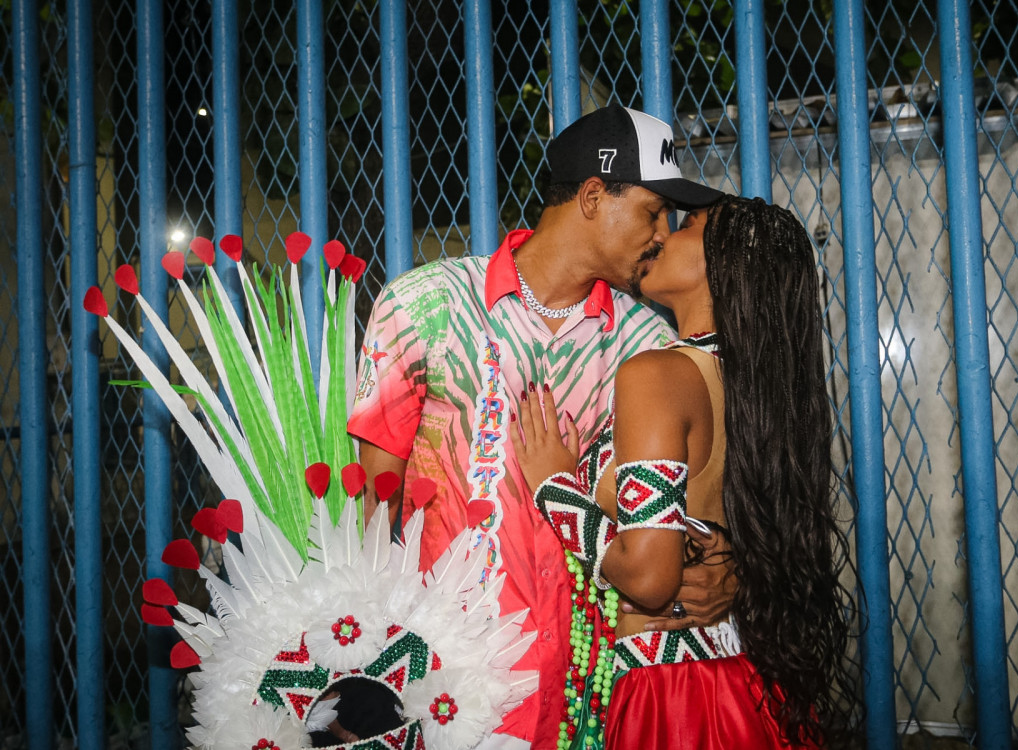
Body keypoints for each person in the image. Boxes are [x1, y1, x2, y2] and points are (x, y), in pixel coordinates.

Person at [347, 106, 735, 749]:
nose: (662, 234)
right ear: (592, 196)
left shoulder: (648, 344)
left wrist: (731, 567)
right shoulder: (424, 307)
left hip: (592, 695)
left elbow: (693, 504)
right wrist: (371, 663)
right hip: (446, 695)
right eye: (651, 210)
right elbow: (370, 508)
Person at [510, 196, 858, 748]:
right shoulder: (752, 389)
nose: (661, 235)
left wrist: (555, 486)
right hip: (747, 681)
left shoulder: (657, 374)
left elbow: (651, 577)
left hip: (677, 701)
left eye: (688, 224)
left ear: (725, 263)